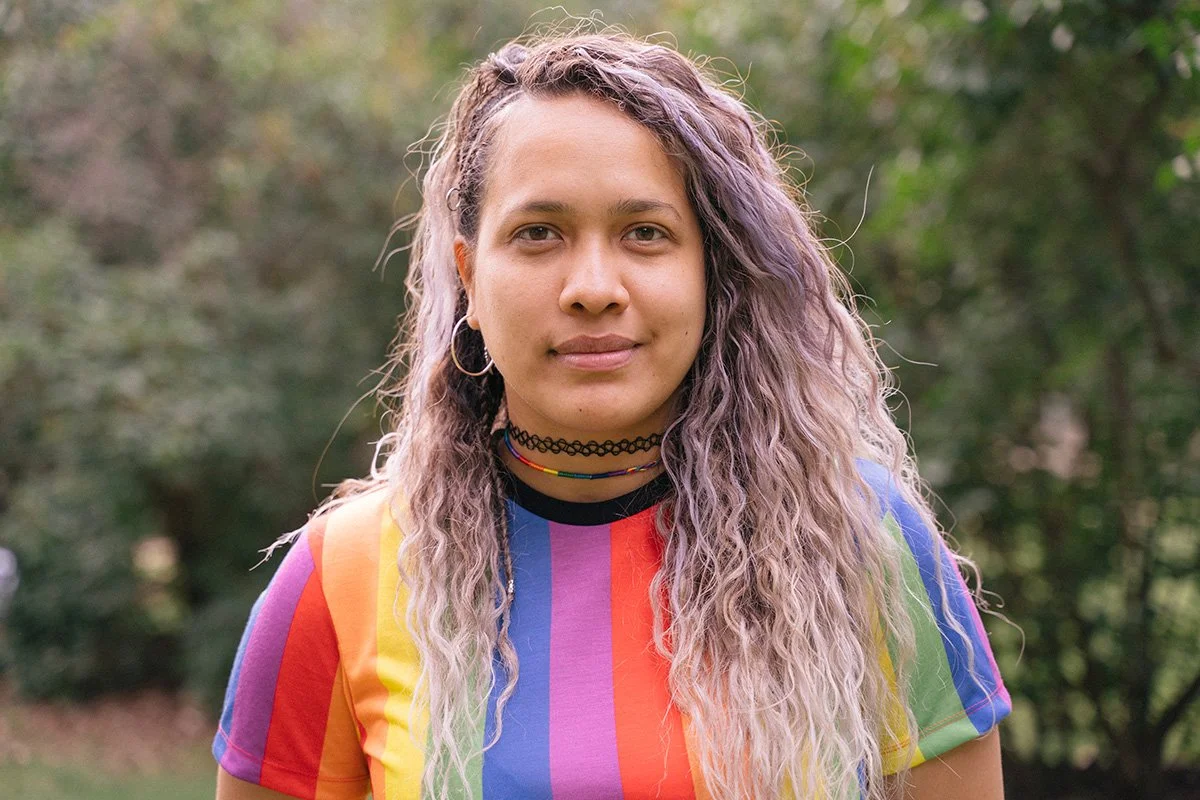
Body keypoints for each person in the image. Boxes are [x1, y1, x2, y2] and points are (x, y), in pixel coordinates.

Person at [213, 27, 1011, 800]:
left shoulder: (860, 542)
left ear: (711, 269)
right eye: (538, 233)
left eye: (645, 233)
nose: (593, 285)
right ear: (469, 278)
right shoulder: (342, 577)